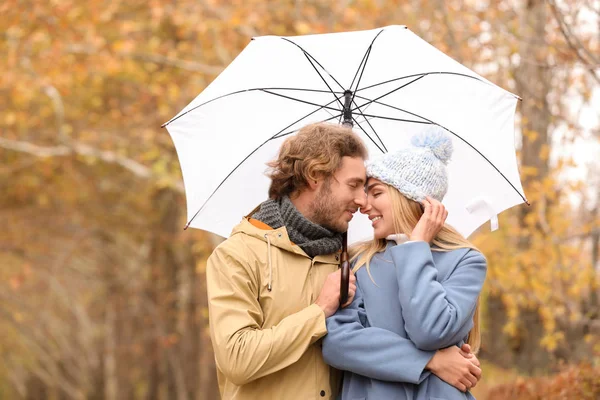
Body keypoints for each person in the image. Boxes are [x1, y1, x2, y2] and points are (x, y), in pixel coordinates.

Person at [322, 126, 487, 400]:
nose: (363, 204)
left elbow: (430, 332)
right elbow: (338, 343)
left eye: (375, 193)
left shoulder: (466, 261)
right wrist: (432, 361)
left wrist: (415, 247)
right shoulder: (358, 261)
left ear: (409, 198)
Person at [205, 122, 366, 399]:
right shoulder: (238, 254)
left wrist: (435, 359)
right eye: (354, 185)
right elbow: (237, 359)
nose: (362, 200)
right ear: (315, 175)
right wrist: (319, 311)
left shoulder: (349, 260)